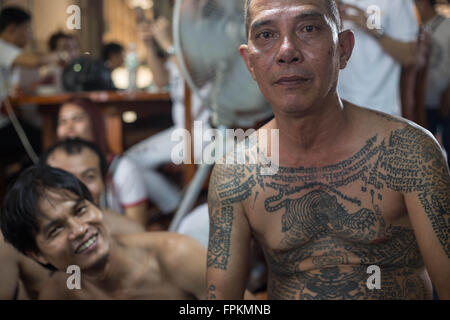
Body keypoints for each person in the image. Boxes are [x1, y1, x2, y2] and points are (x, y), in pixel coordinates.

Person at [206, 0, 450, 300]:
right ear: (250, 63)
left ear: (344, 49)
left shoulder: (408, 153)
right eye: (266, 35)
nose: (286, 51)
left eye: (308, 29)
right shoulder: (236, 173)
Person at [0, 165, 207, 299]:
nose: (79, 229)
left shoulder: (176, 255)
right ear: (36, 253)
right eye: (56, 230)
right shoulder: (60, 294)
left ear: (96, 207)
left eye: (80, 210)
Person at [124, 4, 211, 216]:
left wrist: (167, 44)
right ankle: (174, 205)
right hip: (182, 133)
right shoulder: (181, 46)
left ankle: (177, 207)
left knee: (132, 161)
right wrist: (149, 45)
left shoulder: (210, 43)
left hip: (207, 133)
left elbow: (194, 78)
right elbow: (161, 80)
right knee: (129, 161)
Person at [56, 98, 150, 227]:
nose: (69, 128)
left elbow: (138, 229)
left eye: (77, 119)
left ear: (95, 124)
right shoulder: (54, 169)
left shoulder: (122, 169)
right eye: (63, 121)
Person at [337, 0, 419, 116]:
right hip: (336, 106)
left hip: (379, 108)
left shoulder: (398, 2)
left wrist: (373, 28)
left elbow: (409, 55)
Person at [415, 0, 450, 167]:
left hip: (444, 100)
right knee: (428, 151)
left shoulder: (447, 26)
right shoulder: (417, 27)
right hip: (423, 102)